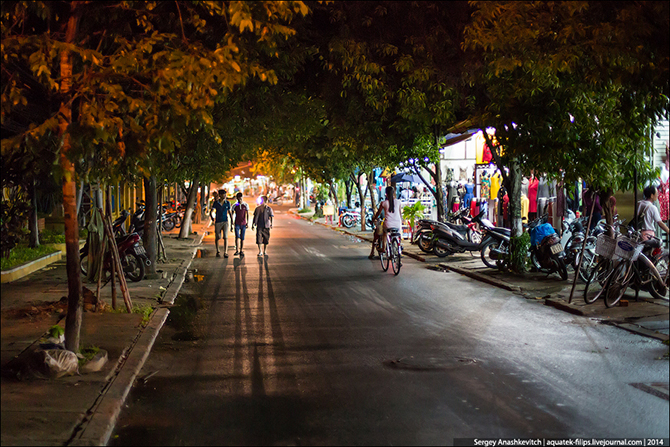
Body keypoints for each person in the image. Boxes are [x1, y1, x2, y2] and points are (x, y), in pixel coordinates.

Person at [371, 186, 402, 255]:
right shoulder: (398, 202)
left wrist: (374, 219)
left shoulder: (383, 203)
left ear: (386, 194)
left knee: (384, 233)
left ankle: (384, 248)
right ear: (394, 193)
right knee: (396, 234)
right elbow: (400, 214)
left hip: (388, 224)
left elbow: (378, 213)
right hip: (397, 224)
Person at [210, 189, 232, 257]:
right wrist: (212, 218)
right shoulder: (216, 203)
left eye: (225, 194)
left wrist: (232, 222)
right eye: (223, 194)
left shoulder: (227, 203)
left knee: (225, 237)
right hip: (218, 222)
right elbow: (212, 211)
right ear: (219, 195)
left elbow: (229, 212)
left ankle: (225, 252)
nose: (224, 196)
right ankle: (218, 251)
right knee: (218, 237)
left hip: (225, 221)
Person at [231, 192, 249, 256]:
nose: (240, 200)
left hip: (243, 223)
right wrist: (231, 224)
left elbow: (247, 214)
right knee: (237, 237)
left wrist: (247, 222)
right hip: (237, 223)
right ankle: (237, 250)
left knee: (242, 237)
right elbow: (232, 214)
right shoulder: (235, 206)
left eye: (241, 199)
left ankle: (241, 250)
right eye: (238, 199)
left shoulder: (245, 205)